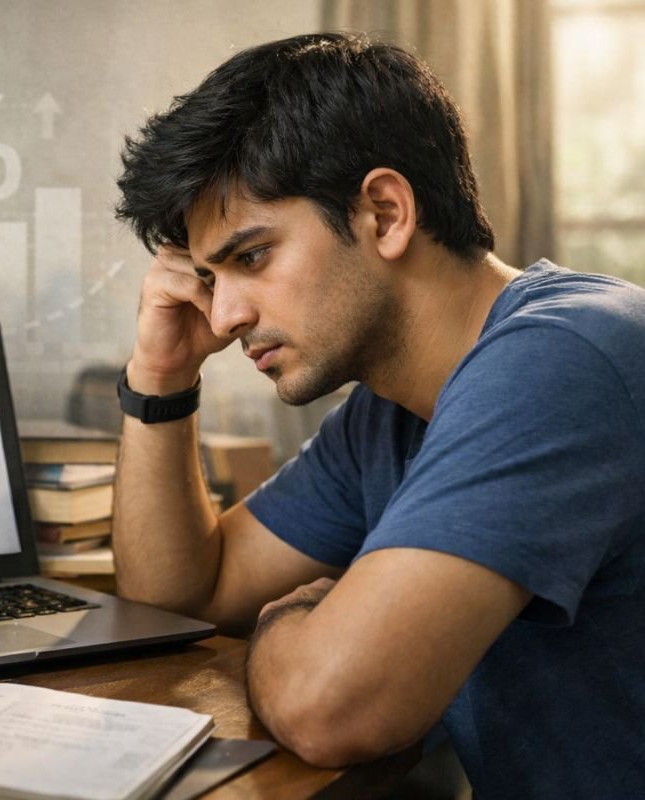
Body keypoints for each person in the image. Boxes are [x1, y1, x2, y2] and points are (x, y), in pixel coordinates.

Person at [111, 32, 645, 799]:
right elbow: (181, 599)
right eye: (206, 277)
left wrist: (281, 624)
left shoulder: (567, 356)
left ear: (386, 213)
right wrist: (160, 376)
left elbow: (333, 709)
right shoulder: (387, 413)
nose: (223, 316)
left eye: (251, 258)